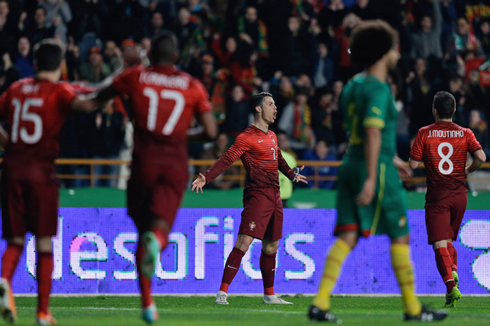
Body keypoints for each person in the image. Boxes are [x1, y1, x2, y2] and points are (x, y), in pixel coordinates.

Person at [308, 21, 448, 322]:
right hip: (375, 170)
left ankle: (319, 302)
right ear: (384, 52)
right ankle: (412, 308)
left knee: (347, 235)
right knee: (400, 236)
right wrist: (375, 174)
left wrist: (390, 156)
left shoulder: (351, 86)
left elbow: (361, 133)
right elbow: (373, 132)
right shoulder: (379, 89)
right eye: (394, 45)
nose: (397, 51)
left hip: (350, 163)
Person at [83, 31, 217, 324]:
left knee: (142, 229)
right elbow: (210, 131)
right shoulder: (192, 86)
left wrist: (124, 69)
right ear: (177, 58)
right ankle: (157, 243)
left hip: (143, 161)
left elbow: (98, 95)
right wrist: (183, 136)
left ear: (151, 55)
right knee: (159, 230)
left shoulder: (136, 77)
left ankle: (147, 304)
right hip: (174, 164)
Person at [0, 39, 100, 325]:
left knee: (15, 240)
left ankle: (4, 279)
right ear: (61, 65)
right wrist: (114, 90)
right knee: (44, 243)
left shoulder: (16, 89)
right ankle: (43, 312)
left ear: (34, 64)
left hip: (11, 169)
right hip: (41, 172)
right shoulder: (59, 91)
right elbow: (86, 105)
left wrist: (10, 144)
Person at [191, 92, 307, 305]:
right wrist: (206, 177)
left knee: (271, 246)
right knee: (244, 241)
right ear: (258, 109)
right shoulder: (246, 137)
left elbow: (278, 158)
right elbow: (226, 159)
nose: (275, 108)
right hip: (257, 194)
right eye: (270, 104)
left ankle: (269, 295)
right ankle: (222, 293)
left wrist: (292, 174)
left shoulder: (272, 136)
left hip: (275, 196)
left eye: (275, 104)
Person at [409, 91, 486, 307]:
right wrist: (468, 170)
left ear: (434, 110)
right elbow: (481, 157)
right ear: (453, 110)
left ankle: (452, 287)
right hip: (460, 195)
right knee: (449, 239)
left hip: (437, 196)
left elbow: (413, 165)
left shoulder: (424, 133)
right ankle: (453, 270)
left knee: (439, 243)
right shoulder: (465, 132)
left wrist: (418, 155)